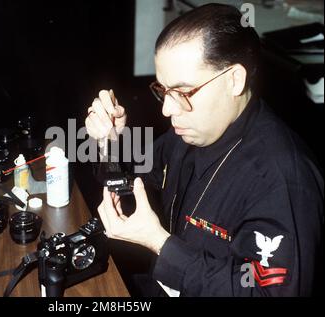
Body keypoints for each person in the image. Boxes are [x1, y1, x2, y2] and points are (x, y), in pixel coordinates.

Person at [84, 4, 323, 296]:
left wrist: (160, 244)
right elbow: (133, 189)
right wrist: (109, 143)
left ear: (234, 80)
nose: (168, 110)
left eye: (183, 92)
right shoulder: (189, 132)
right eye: (163, 91)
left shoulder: (283, 179)